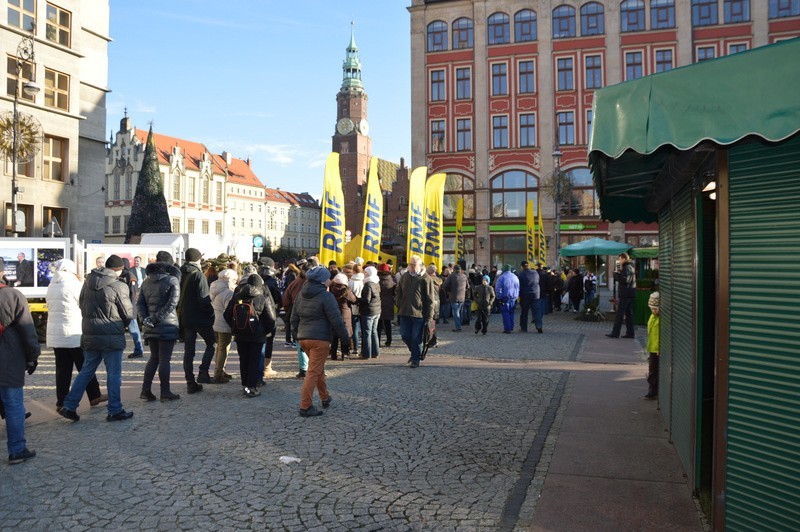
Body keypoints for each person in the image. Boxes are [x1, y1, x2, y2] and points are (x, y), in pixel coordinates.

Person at [58, 255, 134, 422]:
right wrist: (123, 324)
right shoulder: (118, 286)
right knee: (113, 374)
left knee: (86, 371)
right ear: (119, 269)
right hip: (111, 335)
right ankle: (115, 409)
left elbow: (81, 305)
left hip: (90, 333)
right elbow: (128, 313)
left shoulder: (87, 283)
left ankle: (69, 405)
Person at [46, 259, 107, 410]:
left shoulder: (52, 284)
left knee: (62, 370)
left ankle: (61, 401)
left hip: (56, 334)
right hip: (74, 331)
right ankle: (94, 395)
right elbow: (84, 304)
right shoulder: (74, 284)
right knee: (85, 365)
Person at [291, 266, 349, 417]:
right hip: (320, 339)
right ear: (323, 281)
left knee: (317, 369)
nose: (330, 280)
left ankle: (325, 397)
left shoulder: (300, 295)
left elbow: (293, 318)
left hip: (304, 338)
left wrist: (297, 336)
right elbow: (336, 320)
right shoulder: (326, 296)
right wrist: (345, 339)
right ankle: (305, 406)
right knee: (313, 372)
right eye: (328, 278)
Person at [0, 257, 40, 464]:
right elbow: (27, 329)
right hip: (8, 358)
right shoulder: (12, 295)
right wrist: (33, 357)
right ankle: (16, 449)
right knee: (14, 404)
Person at [137, 254, 182, 402]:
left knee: (154, 358)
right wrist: (155, 318)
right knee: (164, 359)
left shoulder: (146, 282)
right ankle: (165, 391)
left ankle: (145, 390)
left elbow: (140, 304)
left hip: (151, 325)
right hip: (166, 324)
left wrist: (146, 319)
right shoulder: (172, 280)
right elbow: (172, 304)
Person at [224, 274, 276, 398]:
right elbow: (271, 318)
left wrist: (235, 327)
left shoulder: (237, 296)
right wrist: (264, 331)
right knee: (254, 360)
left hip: (240, 335)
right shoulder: (262, 297)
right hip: (257, 336)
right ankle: (252, 387)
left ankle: (245, 386)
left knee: (243, 360)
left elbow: (226, 315)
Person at [177, 247, 216, 391]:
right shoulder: (198, 275)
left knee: (189, 351)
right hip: (200, 318)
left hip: (185, 317)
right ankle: (203, 373)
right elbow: (204, 300)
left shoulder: (180, 273)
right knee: (212, 344)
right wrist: (211, 314)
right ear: (198, 259)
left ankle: (190, 382)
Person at [395, 255, 436, 368]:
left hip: (419, 313)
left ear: (420, 265)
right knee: (405, 335)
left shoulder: (425, 278)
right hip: (404, 311)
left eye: (414, 264)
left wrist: (429, 317)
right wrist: (398, 302)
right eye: (410, 264)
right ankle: (415, 353)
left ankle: (415, 359)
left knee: (416, 338)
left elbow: (430, 299)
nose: (411, 266)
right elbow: (398, 289)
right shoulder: (405, 276)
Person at [210, 268, 238, 383]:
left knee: (220, 348)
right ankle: (218, 373)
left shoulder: (214, 288)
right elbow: (229, 311)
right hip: (224, 324)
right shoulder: (228, 292)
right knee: (223, 349)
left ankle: (221, 370)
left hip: (215, 322)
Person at [257, 257, 282, 380]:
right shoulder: (272, 282)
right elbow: (278, 299)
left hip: (256, 315)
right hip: (269, 314)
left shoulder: (255, 280)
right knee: (269, 341)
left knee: (258, 342)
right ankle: (266, 367)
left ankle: (258, 367)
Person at [607, 253, 636, 339]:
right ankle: (630, 333)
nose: (619, 261)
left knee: (620, 314)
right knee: (629, 314)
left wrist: (616, 274)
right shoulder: (631, 267)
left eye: (620, 259)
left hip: (625, 294)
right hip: (630, 293)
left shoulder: (627, 267)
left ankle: (615, 332)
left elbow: (624, 280)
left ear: (624, 259)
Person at [120, 258, 145, 359]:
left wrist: (129, 309)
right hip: (127, 308)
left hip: (128, 309)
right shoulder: (126, 275)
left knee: (134, 330)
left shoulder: (129, 276)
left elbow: (133, 295)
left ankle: (139, 350)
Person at [329, 273, 356, 360]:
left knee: (334, 335)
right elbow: (354, 300)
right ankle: (345, 353)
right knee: (345, 334)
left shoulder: (331, 290)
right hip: (345, 314)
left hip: (333, 313)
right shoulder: (347, 291)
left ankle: (333, 354)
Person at [359, 265, 381, 359]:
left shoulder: (368, 284)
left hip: (368, 311)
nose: (364, 274)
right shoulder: (376, 282)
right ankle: (375, 352)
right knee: (374, 332)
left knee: (367, 333)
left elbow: (367, 300)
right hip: (377, 310)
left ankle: (366, 353)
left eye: (365, 272)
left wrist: (357, 300)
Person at [516, 261, 541, 333]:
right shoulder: (535, 272)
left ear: (522, 266)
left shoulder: (521, 274)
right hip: (535, 294)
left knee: (524, 312)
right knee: (536, 311)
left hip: (525, 295)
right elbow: (537, 281)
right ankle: (539, 326)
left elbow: (519, 286)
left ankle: (524, 328)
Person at [494, 265, 520, 334]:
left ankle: (507, 329)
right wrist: (516, 296)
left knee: (505, 313)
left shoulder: (501, 277)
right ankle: (511, 327)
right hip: (513, 298)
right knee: (511, 312)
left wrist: (499, 297)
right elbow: (518, 288)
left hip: (504, 298)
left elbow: (498, 288)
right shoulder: (515, 277)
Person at [442, 263, 468, 332]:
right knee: (459, 312)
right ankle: (460, 324)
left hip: (453, 297)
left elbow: (445, 286)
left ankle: (458, 327)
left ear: (454, 269)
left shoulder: (451, 276)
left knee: (456, 312)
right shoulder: (464, 276)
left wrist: (448, 291)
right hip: (462, 297)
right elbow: (468, 286)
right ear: (460, 270)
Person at [645, 291, 660, 399]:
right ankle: (652, 390)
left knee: (654, 371)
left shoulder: (661, 319)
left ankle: (653, 391)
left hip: (657, 349)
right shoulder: (652, 317)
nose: (653, 310)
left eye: (655, 308)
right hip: (652, 347)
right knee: (652, 370)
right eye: (651, 308)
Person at [377, 263, 396, 347]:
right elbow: (394, 292)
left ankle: (377, 340)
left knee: (378, 324)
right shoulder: (391, 280)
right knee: (388, 323)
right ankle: (389, 340)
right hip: (388, 303)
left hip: (378, 303)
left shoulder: (377, 280)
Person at [348, 264, 365, 353]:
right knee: (363, 327)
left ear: (353, 271)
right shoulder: (364, 280)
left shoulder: (350, 281)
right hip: (363, 304)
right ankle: (363, 347)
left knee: (354, 327)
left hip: (353, 304)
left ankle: (355, 348)